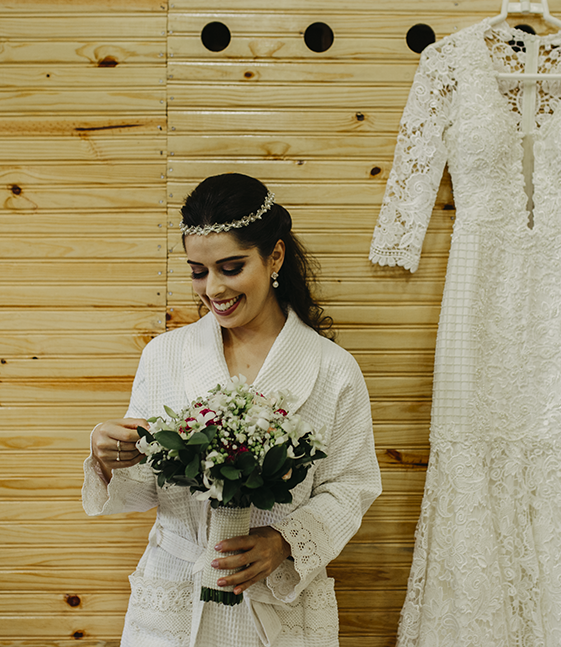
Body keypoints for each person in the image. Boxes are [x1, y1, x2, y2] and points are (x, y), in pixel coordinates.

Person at [82, 173, 382, 647]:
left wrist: (284, 542)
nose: (213, 289)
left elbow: (351, 485)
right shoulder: (165, 355)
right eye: (198, 272)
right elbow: (144, 492)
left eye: (231, 267)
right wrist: (110, 455)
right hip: (176, 591)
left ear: (275, 256)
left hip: (279, 600)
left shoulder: (333, 369)